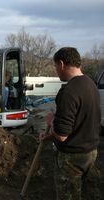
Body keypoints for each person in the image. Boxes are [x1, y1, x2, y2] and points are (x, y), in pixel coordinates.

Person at [39, 47, 100, 200]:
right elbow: (78, 124)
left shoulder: (69, 91)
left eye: (55, 67)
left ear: (61, 64)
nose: (56, 71)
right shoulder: (91, 85)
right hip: (90, 153)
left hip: (72, 159)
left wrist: (51, 121)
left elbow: (62, 136)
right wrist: (49, 136)